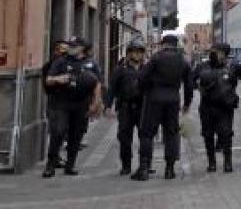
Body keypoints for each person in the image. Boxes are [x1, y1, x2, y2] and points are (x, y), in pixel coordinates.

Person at [132, 34, 193, 181]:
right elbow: (189, 85)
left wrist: (143, 90)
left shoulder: (156, 58)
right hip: (173, 100)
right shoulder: (183, 61)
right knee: (171, 134)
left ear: (163, 44)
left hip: (154, 98)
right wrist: (186, 104)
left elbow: (142, 78)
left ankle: (144, 168)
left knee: (147, 133)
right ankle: (170, 170)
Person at [42, 37, 102, 177]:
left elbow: (97, 84)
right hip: (61, 102)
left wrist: (96, 103)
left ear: (82, 48)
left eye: (74, 45)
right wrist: (58, 79)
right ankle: (50, 165)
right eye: (70, 45)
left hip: (81, 104)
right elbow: (48, 80)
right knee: (58, 132)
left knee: (76, 135)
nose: (70, 47)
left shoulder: (91, 63)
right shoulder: (60, 62)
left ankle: (70, 165)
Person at [105, 40, 146, 175]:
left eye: (140, 52)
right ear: (128, 53)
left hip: (142, 108)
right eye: (134, 51)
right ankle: (126, 165)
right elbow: (112, 89)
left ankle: (144, 164)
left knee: (145, 137)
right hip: (125, 108)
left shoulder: (146, 69)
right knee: (124, 138)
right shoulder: (120, 70)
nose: (137, 55)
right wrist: (108, 106)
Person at [196, 42, 239, 173]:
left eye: (216, 51)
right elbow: (193, 80)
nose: (213, 53)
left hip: (225, 107)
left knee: (226, 134)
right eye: (212, 51)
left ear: (224, 54)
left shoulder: (230, 67)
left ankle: (228, 163)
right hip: (207, 106)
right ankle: (212, 163)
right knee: (208, 135)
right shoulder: (202, 66)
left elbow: (233, 84)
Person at [41, 40, 69, 169]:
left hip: (65, 101)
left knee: (61, 132)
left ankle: (56, 156)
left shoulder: (67, 64)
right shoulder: (49, 66)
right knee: (56, 131)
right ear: (55, 51)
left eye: (65, 51)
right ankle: (52, 159)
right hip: (55, 100)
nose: (63, 53)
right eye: (61, 50)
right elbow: (46, 84)